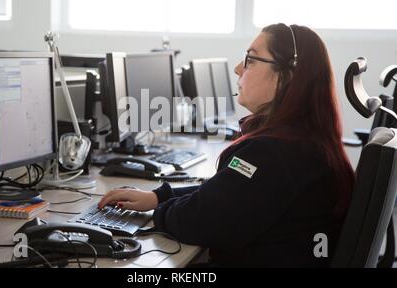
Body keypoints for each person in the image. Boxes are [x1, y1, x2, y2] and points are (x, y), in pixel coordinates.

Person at [98, 23, 355, 267]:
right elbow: (225, 192)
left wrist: (158, 213)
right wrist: (158, 197)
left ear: (286, 77)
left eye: (251, 60)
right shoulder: (301, 140)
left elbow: (199, 221)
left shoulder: (273, 153)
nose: (237, 69)